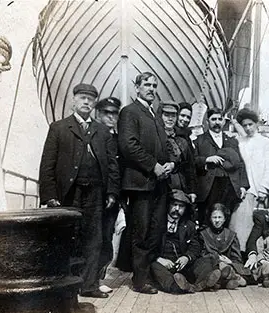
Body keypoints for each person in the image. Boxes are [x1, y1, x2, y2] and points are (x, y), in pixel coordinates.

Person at [39, 83, 119, 298]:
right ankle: (66, 285)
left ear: (94, 104)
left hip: (96, 193)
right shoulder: (59, 128)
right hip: (68, 193)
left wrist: (112, 192)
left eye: (90, 99)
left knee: (94, 240)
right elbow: (47, 164)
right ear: (74, 100)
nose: (86, 102)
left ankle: (89, 286)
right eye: (82, 98)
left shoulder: (103, 132)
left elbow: (112, 165)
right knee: (67, 238)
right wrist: (49, 196)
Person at [118, 72, 176, 294]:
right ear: (137, 87)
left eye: (154, 85)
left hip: (159, 183)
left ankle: (149, 275)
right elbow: (128, 145)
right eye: (147, 85)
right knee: (141, 232)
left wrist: (170, 162)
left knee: (156, 229)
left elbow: (165, 145)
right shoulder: (130, 112)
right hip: (141, 183)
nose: (151, 89)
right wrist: (154, 166)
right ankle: (140, 280)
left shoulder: (154, 115)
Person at [150, 189, 221, 294]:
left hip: (182, 265)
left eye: (181, 206)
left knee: (206, 261)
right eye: (174, 205)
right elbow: (147, 247)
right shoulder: (156, 223)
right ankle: (176, 286)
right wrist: (159, 259)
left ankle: (196, 284)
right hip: (163, 263)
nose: (177, 209)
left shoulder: (189, 225)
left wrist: (186, 257)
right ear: (168, 205)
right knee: (154, 266)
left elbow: (195, 246)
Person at [230, 108, 269, 252]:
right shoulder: (239, 142)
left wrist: (264, 188)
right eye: (245, 125)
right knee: (240, 225)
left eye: (251, 124)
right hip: (245, 190)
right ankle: (241, 255)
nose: (248, 128)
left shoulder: (265, 142)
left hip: (261, 191)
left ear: (256, 124)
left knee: (259, 226)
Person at [194, 107, 249, 227]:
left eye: (220, 119)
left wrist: (243, 186)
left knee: (226, 219)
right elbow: (192, 162)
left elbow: (240, 163)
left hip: (228, 186)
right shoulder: (199, 141)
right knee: (207, 220)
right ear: (207, 121)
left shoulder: (231, 141)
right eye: (213, 119)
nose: (217, 122)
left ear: (224, 121)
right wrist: (206, 160)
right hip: (209, 188)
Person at [94, 96, 122, 294]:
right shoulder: (94, 135)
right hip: (97, 195)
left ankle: (98, 277)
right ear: (99, 114)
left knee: (106, 236)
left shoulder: (119, 139)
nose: (111, 117)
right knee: (92, 238)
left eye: (114, 113)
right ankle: (88, 279)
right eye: (107, 113)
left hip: (115, 196)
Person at [199, 203, 248, 289]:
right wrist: (218, 259)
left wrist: (229, 262)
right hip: (211, 265)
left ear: (225, 219)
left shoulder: (231, 235)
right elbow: (202, 255)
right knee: (213, 268)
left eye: (220, 217)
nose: (217, 220)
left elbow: (237, 258)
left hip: (229, 264)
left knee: (229, 267)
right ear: (210, 219)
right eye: (214, 217)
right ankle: (232, 278)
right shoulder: (203, 234)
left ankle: (225, 279)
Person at [158, 101, 197, 203]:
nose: (170, 119)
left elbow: (190, 167)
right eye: (166, 115)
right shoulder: (154, 136)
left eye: (173, 116)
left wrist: (192, 191)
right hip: (160, 185)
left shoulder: (183, 140)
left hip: (179, 185)